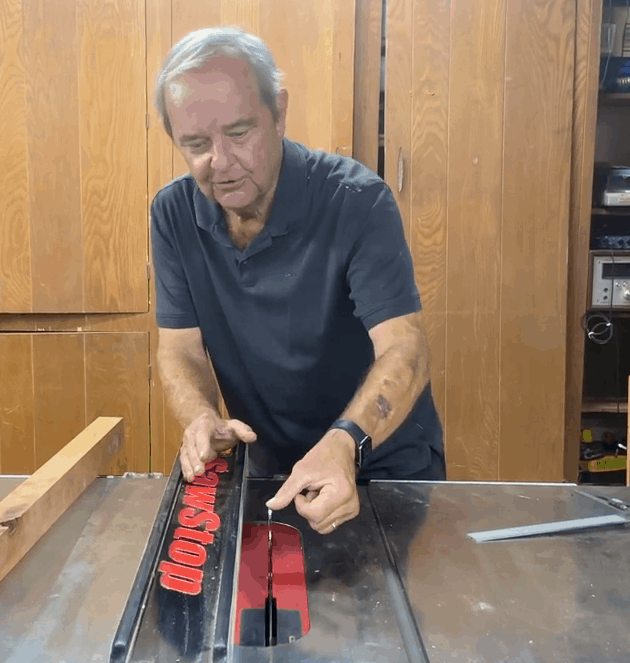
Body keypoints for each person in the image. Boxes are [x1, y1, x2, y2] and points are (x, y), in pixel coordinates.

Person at [150, 27, 445, 535]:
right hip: (272, 473)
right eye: (196, 144)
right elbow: (179, 349)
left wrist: (344, 442)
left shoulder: (357, 201)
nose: (219, 163)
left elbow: (405, 348)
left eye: (240, 133)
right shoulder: (172, 213)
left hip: (378, 464)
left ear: (279, 112)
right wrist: (200, 416)